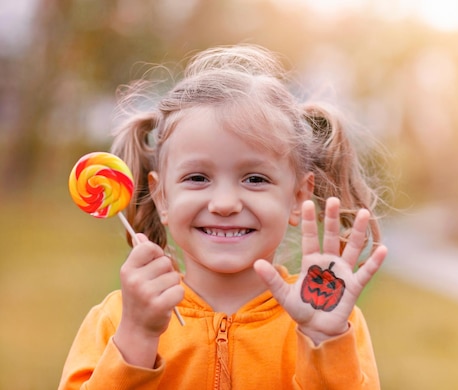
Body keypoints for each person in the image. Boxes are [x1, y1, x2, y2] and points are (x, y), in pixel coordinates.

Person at [59, 44, 388, 389]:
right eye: (198, 178)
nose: (225, 203)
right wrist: (137, 338)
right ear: (162, 197)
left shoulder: (333, 320)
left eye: (255, 179)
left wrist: (323, 343)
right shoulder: (116, 319)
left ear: (298, 197)